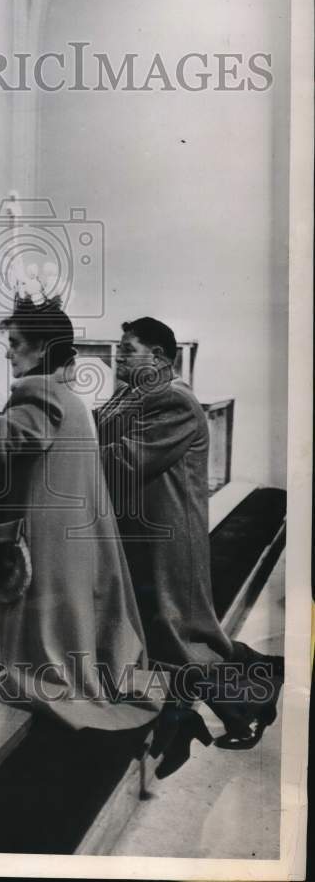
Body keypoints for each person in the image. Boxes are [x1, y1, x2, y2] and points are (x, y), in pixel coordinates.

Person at [0, 295, 166, 733]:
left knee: (43, 637)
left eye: (16, 342)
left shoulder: (41, 395)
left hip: (47, 539)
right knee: (71, 623)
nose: (8, 351)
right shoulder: (63, 396)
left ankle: (45, 684)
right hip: (71, 533)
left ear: (43, 349)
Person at [96, 317, 282, 750]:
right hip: (143, 537)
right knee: (172, 633)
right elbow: (102, 433)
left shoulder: (172, 400)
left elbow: (125, 461)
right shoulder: (134, 395)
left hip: (168, 542)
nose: (117, 356)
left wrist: (59, 446)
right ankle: (244, 688)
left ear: (158, 357)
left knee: (178, 635)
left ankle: (251, 706)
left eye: (127, 349)